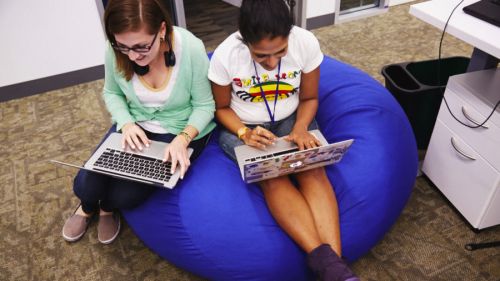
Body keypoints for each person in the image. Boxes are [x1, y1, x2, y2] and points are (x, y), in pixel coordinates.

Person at [208, 1, 359, 280]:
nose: (272, 62)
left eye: (280, 52)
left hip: (293, 119)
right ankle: (334, 268)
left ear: (290, 35)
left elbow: (310, 97)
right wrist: (245, 133)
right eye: (261, 55)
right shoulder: (226, 54)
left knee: (312, 168)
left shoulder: (305, 42)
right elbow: (220, 109)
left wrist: (302, 128)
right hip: (243, 127)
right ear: (245, 41)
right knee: (272, 174)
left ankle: (334, 269)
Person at [62, 0, 215, 244]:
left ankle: (107, 209)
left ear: (162, 30)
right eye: (123, 47)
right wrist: (126, 123)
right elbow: (112, 93)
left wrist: (183, 139)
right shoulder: (115, 48)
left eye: (142, 47)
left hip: (179, 129)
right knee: (85, 186)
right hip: (136, 124)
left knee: (125, 197)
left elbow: (205, 106)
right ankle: (88, 206)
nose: (132, 55)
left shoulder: (191, 48)